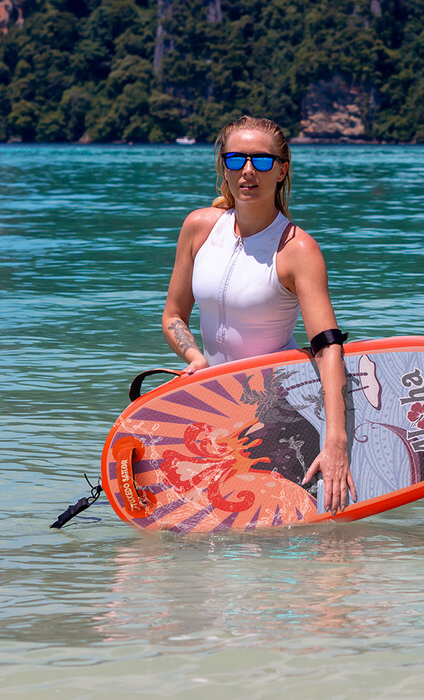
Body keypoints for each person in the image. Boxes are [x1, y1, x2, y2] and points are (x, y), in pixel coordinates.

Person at [162, 115, 356, 514]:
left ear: (282, 170)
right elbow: (173, 315)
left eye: (262, 161)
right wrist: (195, 358)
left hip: (275, 413)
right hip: (214, 405)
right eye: (236, 159)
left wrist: (335, 441)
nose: (248, 171)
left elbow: (328, 347)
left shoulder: (297, 250)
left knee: (279, 537)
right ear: (223, 166)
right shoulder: (199, 229)